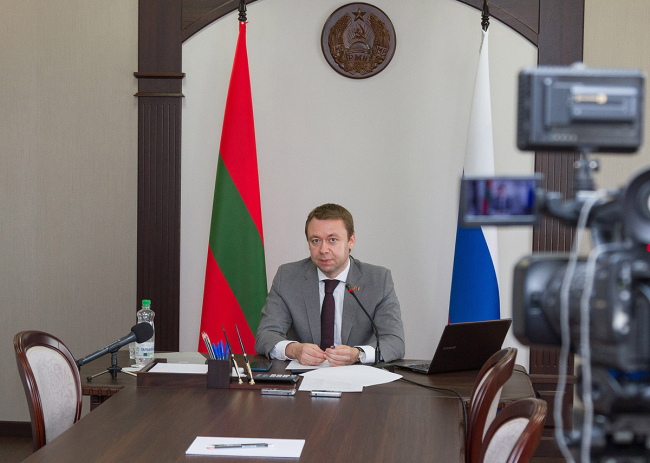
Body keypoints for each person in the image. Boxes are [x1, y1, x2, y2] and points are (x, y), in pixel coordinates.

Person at [255, 204, 405, 366]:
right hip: (304, 374)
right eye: (316, 241)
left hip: (358, 375)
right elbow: (266, 335)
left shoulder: (378, 280)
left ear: (351, 241)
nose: (323, 250)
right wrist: (294, 349)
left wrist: (358, 354)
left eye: (332, 240)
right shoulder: (287, 277)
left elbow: (395, 341)